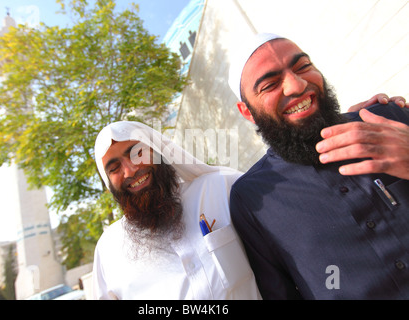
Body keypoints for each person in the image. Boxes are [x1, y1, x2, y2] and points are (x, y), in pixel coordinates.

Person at [228, 33, 409, 299]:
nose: (296, 85)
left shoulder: (386, 119)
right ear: (246, 111)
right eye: (270, 84)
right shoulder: (252, 200)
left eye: (302, 67)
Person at [91, 121, 261, 300]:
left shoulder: (222, 188)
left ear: (157, 151)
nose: (130, 171)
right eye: (114, 168)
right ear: (109, 183)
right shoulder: (108, 250)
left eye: (137, 153)